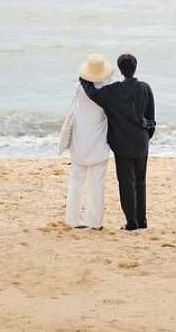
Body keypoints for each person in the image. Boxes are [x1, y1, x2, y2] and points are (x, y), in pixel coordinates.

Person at [80, 53, 155, 231]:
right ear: (135, 67)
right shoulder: (145, 88)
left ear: (119, 69)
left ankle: (131, 222)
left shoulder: (113, 91)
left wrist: (85, 78)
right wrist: (146, 136)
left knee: (126, 182)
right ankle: (142, 220)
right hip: (141, 142)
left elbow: (93, 94)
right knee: (140, 181)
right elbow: (151, 118)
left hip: (121, 143)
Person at [65, 54, 114, 230]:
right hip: (98, 141)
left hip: (80, 140)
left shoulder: (79, 87)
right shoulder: (108, 91)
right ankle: (94, 222)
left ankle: (73, 219)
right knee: (96, 184)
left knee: (76, 181)